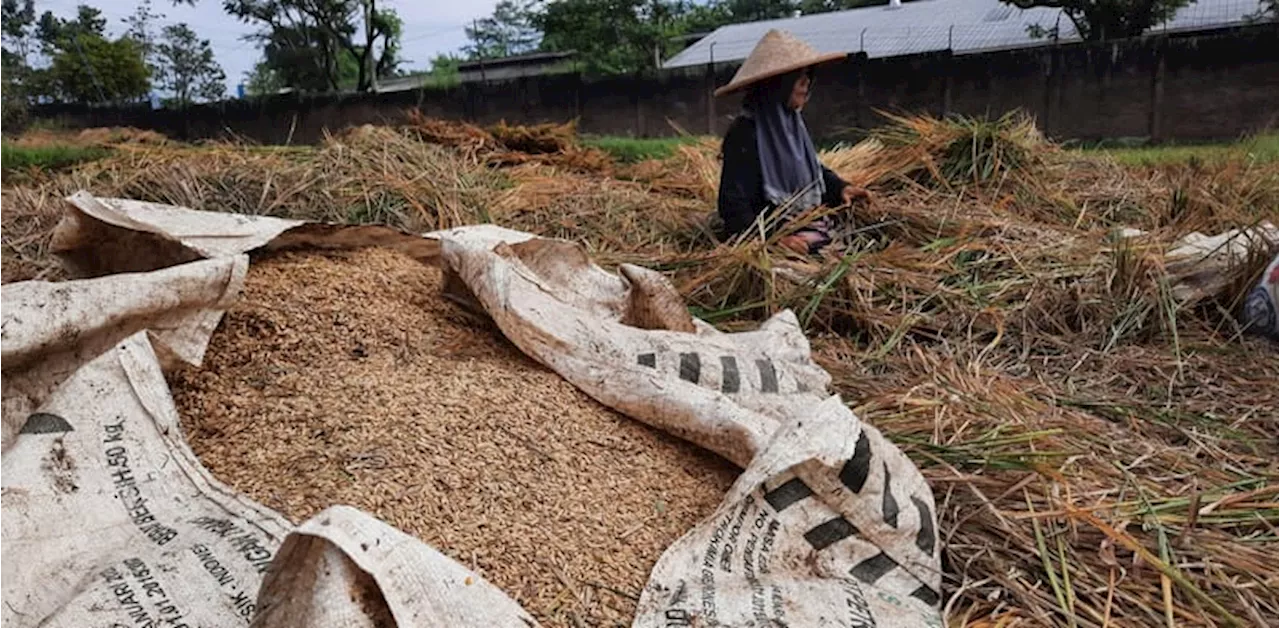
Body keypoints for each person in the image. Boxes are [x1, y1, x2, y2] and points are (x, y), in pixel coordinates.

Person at [714, 29, 867, 255]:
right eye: (797, 76)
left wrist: (841, 187)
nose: (806, 82)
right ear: (776, 84)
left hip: (805, 224)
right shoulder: (746, 133)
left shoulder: (792, 125)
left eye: (808, 75)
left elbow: (811, 171)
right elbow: (733, 205)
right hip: (772, 231)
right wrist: (774, 241)